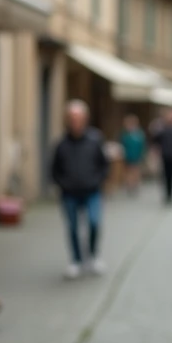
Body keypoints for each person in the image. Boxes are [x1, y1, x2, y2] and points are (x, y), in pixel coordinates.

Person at [51, 100, 109, 280]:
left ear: (85, 119)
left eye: (79, 118)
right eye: (72, 118)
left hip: (92, 191)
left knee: (94, 223)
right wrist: (63, 183)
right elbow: (54, 169)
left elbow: (104, 164)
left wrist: (98, 180)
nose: (76, 122)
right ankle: (75, 260)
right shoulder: (61, 143)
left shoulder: (95, 139)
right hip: (69, 193)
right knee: (73, 228)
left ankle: (92, 256)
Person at [120, 115, 147, 195]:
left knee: (135, 170)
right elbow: (122, 144)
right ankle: (129, 185)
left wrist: (142, 154)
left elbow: (143, 145)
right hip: (127, 156)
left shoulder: (139, 134)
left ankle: (134, 184)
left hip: (136, 155)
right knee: (128, 171)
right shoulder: (125, 134)